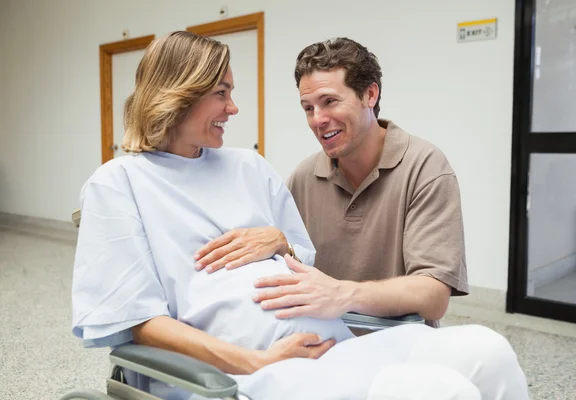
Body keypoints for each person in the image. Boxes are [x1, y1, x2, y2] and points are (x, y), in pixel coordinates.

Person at [71, 31, 509, 400]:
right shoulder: (118, 182)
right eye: (221, 93)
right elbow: (138, 321)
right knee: (442, 391)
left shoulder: (249, 166)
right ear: (178, 95)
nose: (233, 107)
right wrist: (257, 360)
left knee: (488, 352)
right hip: (254, 370)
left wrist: (282, 241)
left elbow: (304, 256)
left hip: (337, 341)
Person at [194, 37, 530, 399]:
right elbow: (284, 267)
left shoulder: (425, 168)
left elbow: (433, 295)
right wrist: (281, 242)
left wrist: (344, 294)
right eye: (308, 108)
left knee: (490, 351)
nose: (318, 120)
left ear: (370, 94)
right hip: (321, 355)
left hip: (403, 343)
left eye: (329, 102)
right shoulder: (303, 178)